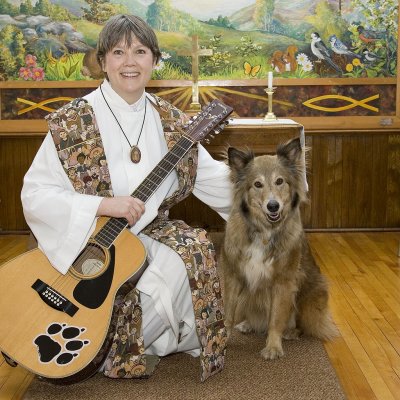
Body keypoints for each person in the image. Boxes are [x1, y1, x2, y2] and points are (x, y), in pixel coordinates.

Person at [21, 14, 231, 381]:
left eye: (140, 51)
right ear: (103, 61)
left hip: (148, 235)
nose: (130, 62)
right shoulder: (73, 122)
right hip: (86, 238)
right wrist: (101, 205)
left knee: (194, 252)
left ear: (155, 60)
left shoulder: (173, 121)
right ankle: (91, 340)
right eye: (118, 52)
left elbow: (215, 179)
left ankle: (108, 347)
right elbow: (36, 194)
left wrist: (275, 190)